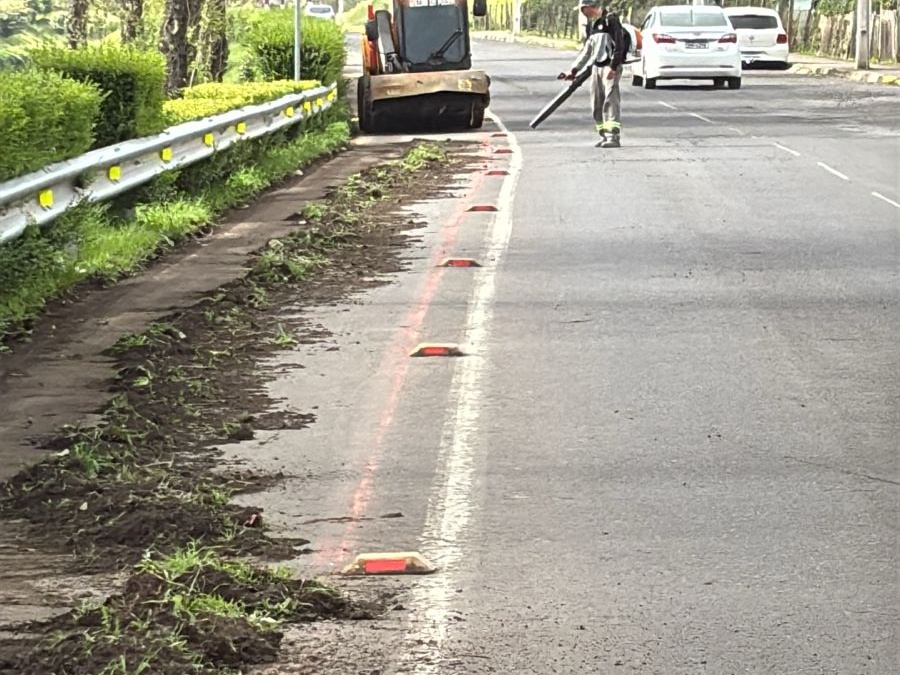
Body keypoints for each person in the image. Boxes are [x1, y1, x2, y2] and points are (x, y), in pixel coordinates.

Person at [560, 0, 628, 148]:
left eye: (583, 10)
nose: (582, 13)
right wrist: (574, 70)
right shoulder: (593, 25)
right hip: (596, 68)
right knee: (596, 103)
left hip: (610, 67)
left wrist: (614, 67)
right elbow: (587, 51)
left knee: (611, 100)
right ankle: (604, 135)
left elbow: (619, 46)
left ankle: (613, 137)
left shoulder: (611, 21)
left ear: (589, 7)